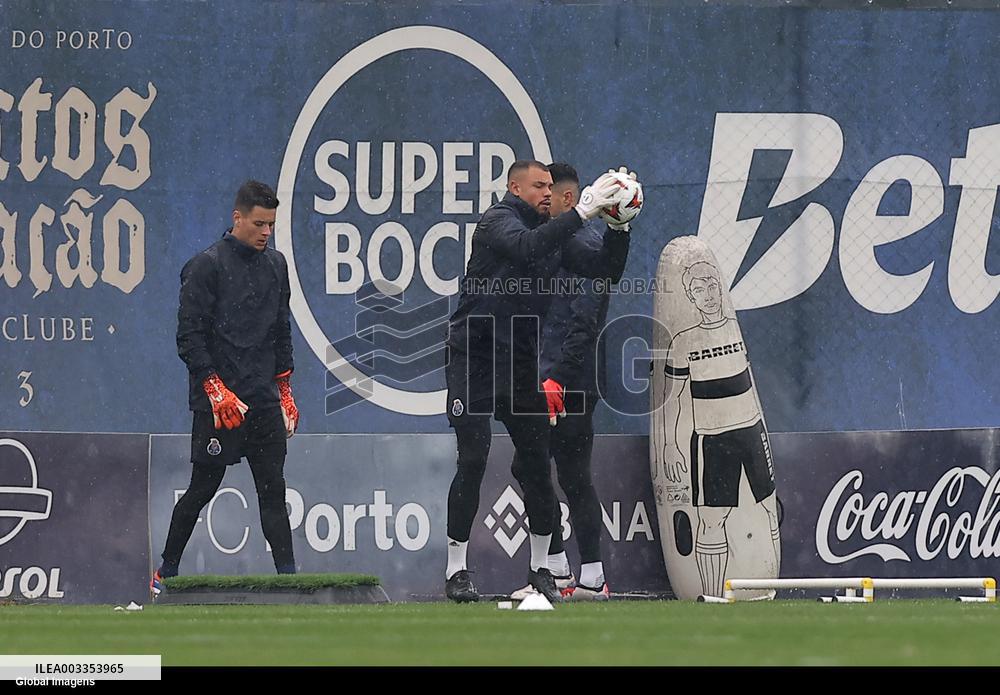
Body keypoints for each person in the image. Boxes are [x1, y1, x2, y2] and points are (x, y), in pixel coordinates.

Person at [444, 160, 631, 603]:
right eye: (538, 186)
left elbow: (607, 269)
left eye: (550, 186)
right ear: (514, 187)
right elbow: (527, 248)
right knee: (473, 458)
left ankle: (541, 569)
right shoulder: (497, 221)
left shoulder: (555, 236)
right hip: (474, 357)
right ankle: (456, 570)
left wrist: (620, 228)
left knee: (534, 464)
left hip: (521, 362)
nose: (547, 192)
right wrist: (581, 213)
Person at [150, 180, 300, 598]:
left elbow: (281, 331)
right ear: (237, 218)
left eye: (271, 224)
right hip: (220, 407)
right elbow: (189, 337)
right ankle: (165, 575)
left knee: (273, 491)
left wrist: (285, 389)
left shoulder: (277, 265)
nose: (266, 232)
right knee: (202, 487)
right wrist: (215, 388)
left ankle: (290, 583)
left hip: (264, 401)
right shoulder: (205, 266)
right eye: (258, 223)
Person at [510, 164, 635, 602]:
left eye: (549, 193)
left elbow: (584, 322)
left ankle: (571, 573)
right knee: (552, 471)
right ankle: (577, 574)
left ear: (568, 200)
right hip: (553, 378)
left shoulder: (581, 246)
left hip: (566, 383)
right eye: (537, 191)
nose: (543, 201)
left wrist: (557, 379)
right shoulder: (555, 247)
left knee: (556, 472)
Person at [661, 260, 780, 598]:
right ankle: (711, 597)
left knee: (767, 507)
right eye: (699, 289)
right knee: (712, 519)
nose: (709, 295)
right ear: (691, 296)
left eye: (713, 286)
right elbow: (675, 398)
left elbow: (749, 379)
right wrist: (671, 445)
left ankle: (767, 585)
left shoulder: (733, 331)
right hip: (713, 439)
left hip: (750, 430)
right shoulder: (684, 341)